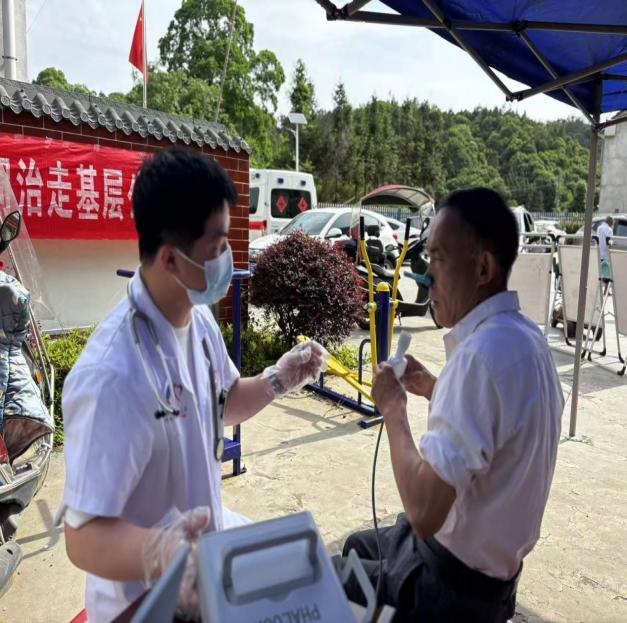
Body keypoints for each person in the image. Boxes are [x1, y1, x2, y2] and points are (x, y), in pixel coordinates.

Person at [61, 148, 325, 622]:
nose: (228, 258)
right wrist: (160, 552)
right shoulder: (111, 376)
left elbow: (224, 402)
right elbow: (81, 537)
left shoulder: (197, 321)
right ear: (170, 259)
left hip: (205, 567)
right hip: (144, 600)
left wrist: (277, 378)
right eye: (217, 246)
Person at [340, 188, 564, 622]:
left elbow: (424, 512)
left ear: (482, 268)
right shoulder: (526, 339)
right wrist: (433, 387)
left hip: (448, 588)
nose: (427, 274)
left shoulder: (478, 358)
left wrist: (394, 409)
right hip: (493, 581)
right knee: (357, 545)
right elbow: (500, 425)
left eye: (438, 258)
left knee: (332, 576)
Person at [597, 215, 613, 282]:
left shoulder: (599, 228)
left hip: (599, 254)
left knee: (600, 274)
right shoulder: (609, 230)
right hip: (606, 256)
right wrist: (613, 243)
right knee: (607, 276)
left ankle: (601, 287)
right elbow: (609, 242)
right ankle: (605, 288)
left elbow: (598, 240)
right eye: (612, 222)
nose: (612, 224)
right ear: (609, 222)